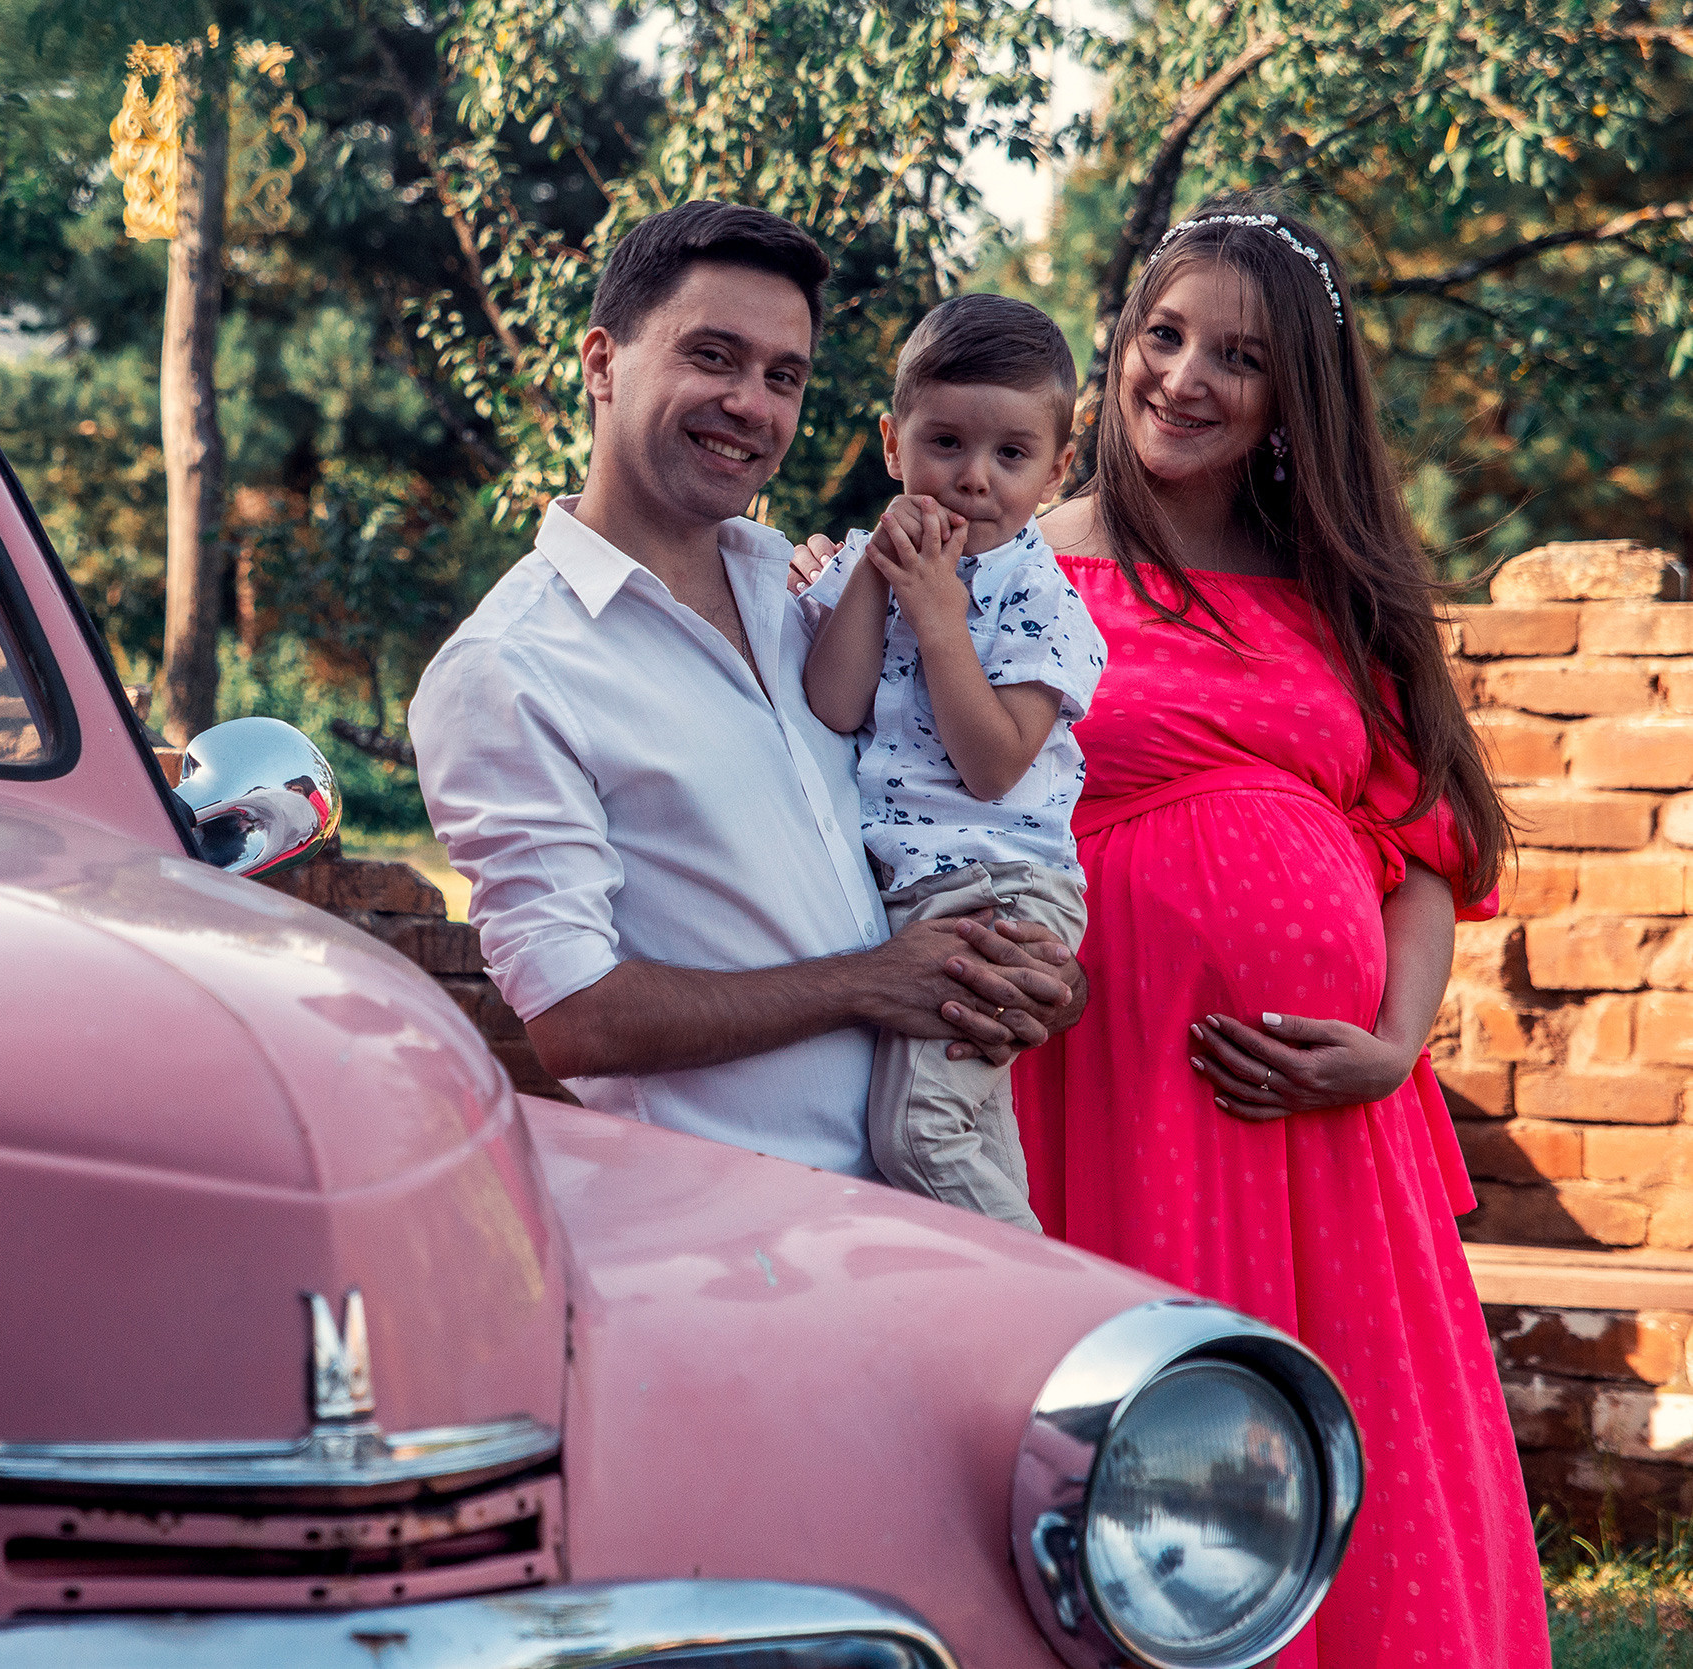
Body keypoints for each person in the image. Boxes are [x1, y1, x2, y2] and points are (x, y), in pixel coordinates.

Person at [1013, 194, 1549, 1666]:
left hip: (1321, 1124)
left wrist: (1390, 1047)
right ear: (1118, 342)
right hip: (1103, 1094)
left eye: (1235, 358)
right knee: (1134, 1478)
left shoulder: (1340, 599)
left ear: (1288, 399)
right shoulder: (1010, 568)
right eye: (1162, 334)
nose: (1184, 378)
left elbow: (1432, 863)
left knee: (1345, 1450)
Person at [408, 201, 1084, 1177]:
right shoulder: (510, 669)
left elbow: (936, 831)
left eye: (783, 377)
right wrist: (870, 984)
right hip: (725, 1235)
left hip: (915, 1214)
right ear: (602, 363)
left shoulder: (811, 598)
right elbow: (575, 1018)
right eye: (712, 357)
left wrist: (1030, 980)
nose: (751, 405)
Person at [798, 295, 1104, 1232]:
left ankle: (1044, 1308)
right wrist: (874, 580)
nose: (973, 479)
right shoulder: (868, 560)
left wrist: (936, 615)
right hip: (916, 891)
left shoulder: (1043, 601)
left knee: (916, 1137)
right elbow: (833, 704)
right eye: (945, 444)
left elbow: (994, 766)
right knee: (973, 1133)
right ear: (893, 445)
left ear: (1055, 471)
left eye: (1010, 456)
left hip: (1001, 892)